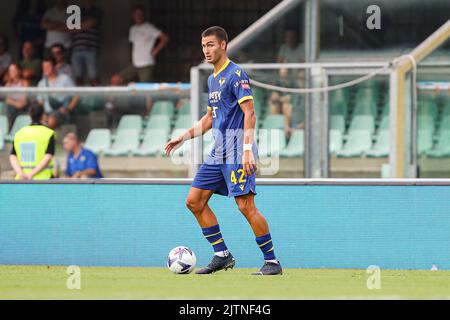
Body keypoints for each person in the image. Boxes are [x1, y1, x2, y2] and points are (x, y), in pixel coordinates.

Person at [165, 26, 282, 276]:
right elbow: (209, 117)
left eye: (210, 44)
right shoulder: (212, 79)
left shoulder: (236, 74)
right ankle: (222, 255)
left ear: (223, 45)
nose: (206, 50)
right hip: (219, 151)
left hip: (239, 148)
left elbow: (249, 113)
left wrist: (248, 151)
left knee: (245, 206)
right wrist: (183, 137)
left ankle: (272, 262)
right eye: (203, 45)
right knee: (194, 201)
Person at [110, 5, 169, 85]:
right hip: (135, 64)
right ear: (133, 15)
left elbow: (165, 38)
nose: (138, 16)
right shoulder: (133, 29)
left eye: (140, 14)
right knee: (115, 80)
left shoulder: (148, 27)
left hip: (146, 64)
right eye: (136, 14)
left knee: (146, 89)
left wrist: (155, 51)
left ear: (143, 15)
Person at [9, 103, 55, 180]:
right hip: (43, 180)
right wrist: (31, 174)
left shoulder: (19, 133)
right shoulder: (49, 133)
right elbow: (48, 156)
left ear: (30, 115)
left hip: (21, 180)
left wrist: (21, 174)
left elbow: (12, 156)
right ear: (43, 115)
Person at [37, 57, 78, 129]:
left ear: (54, 67)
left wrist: (68, 109)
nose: (45, 69)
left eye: (48, 66)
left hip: (61, 112)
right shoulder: (41, 83)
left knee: (51, 120)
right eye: (44, 67)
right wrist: (42, 114)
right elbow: (40, 102)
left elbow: (76, 95)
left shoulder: (65, 79)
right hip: (46, 113)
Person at [70, 0, 103, 86]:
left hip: (91, 48)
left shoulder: (97, 11)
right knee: (78, 77)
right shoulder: (77, 11)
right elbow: (71, 28)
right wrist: (83, 25)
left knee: (94, 77)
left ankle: (97, 98)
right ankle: (78, 98)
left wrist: (78, 27)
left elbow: (92, 22)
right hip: (77, 48)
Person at [5, 63, 30, 128]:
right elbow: (7, 101)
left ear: (19, 71)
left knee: (9, 107)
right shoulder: (8, 85)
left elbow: (22, 104)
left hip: (23, 110)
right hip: (12, 112)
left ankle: (8, 129)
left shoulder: (24, 83)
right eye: (10, 70)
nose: (12, 72)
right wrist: (16, 103)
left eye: (14, 70)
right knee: (8, 108)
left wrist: (12, 101)